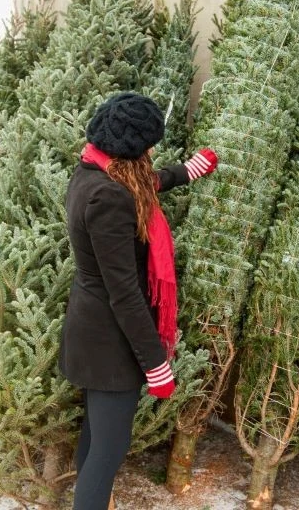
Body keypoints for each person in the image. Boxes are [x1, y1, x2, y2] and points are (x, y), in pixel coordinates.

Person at [58, 92, 218, 510]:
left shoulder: (92, 170)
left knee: (95, 439)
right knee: (108, 451)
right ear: (134, 149)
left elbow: (144, 183)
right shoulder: (110, 198)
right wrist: (154, 362)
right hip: (110, 340)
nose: (152, 151)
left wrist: (185, 172)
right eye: (149, 145)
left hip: (91, 329)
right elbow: (124, 291)